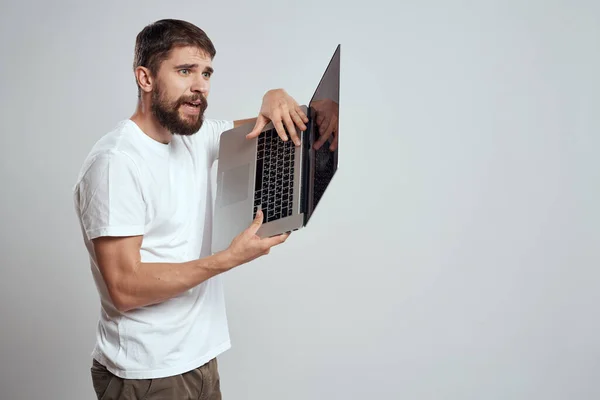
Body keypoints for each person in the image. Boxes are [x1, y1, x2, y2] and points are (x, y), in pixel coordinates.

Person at [72, 18, 308, 400]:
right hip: (148, 373)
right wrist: (229, 258)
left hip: (200, 361)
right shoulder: (116, 163)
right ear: (145, 78)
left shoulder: (194, 138)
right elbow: (124, 287)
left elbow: (277, 126)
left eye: (207, 73)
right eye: (185, 71)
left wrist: (281, 97)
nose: (200, 86)